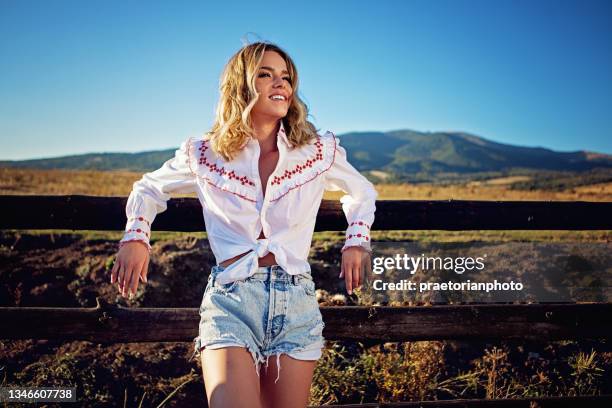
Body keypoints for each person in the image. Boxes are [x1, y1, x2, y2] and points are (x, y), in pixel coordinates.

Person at [110, 41, 378, 408]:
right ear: (241, 87)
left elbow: (361, 191)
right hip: (231, 299)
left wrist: (356, 240)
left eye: (285, 77)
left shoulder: (316, 151)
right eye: (265, 75)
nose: (280, 84)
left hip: (296, 302)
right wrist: (137, 236)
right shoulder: (206, 153)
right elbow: (149, 187)